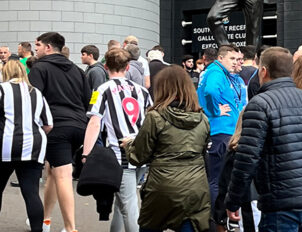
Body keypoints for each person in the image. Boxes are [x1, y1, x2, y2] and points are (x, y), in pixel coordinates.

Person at [223, 47, 302, 232]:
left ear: (264, 71)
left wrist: (233, 200)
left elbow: (247, 158)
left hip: (281, 200)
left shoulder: (259, 104)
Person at [123, 65, 211, 232]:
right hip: (195, 187)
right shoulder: (203, 119)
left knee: (150, 226)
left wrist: (128, 145)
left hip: (161, 187)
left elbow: (138, 156)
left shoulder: (155, 117)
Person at [0, 60, 53, 232]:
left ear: (6, 72)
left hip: (4, 146)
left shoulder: (0, 89)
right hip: (33, 146)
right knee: (31, 192)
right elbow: (48, 125)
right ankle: (37, 229)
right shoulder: (36, 92)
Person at [82, 48, 152, 232]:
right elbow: (152, 119)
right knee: (123, 203)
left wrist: (86, 153)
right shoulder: (142, 90)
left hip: (119, 152)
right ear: (127, 67)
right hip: (143, 151)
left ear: (105, 67)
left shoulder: (102, 90)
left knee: (128, 203)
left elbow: (94, 122)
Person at [28, 32, 89, 232]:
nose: (35, 48)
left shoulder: (39, 68)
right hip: (79, 126)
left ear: (48, 47)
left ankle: (70, 228)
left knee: (62, 174)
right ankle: (45, 220)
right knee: (52, 172)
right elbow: (88, 99)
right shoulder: (78, 71)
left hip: (56, 126)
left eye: (37, 45)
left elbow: (33, 100)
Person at [196, 45, 247, 226]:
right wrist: (215, 110)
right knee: (217, 179)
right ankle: (214, 220)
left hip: (225, 131)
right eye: (231, 59)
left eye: (237, 59)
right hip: (219, 132)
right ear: (221, 58)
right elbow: (209, 92)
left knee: (220, 179)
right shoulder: (216, 72)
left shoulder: (221, 73)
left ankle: (218, 219)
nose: (235, 62)